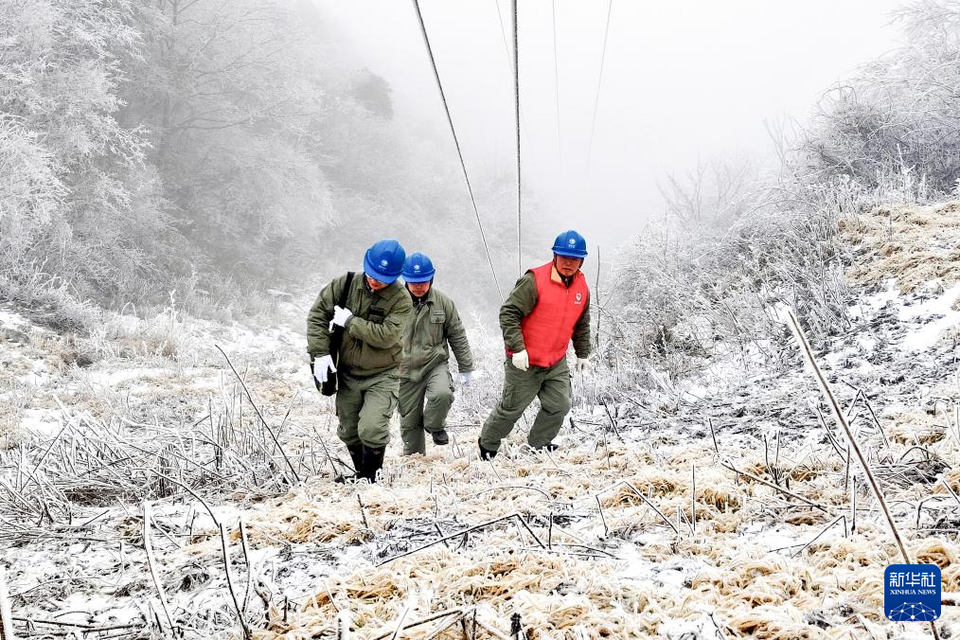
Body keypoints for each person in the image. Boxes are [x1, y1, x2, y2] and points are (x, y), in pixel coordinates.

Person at [306, 239, 413, 482]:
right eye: (373, 275)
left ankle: (370, 480)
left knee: (372, 427)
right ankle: (361, 474)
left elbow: (387, 336)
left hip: (383, 373)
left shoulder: (401, 300)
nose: (376, 281)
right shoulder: (344, 285)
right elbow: (317, 315)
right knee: (349, 430)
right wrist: (320, 353)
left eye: (383, 279)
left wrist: (350, 322)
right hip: (347, 372)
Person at [478, 230, 591, 459]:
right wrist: (517, 349)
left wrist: (582, 353)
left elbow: (582, 323)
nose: (569, 263)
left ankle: (537, 445)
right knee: (511, 409)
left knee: (560, 404)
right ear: (554, 256)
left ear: (581, 260)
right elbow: (509, 313)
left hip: (556, 361)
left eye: (575, 259)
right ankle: (487, 446)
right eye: (564, 257)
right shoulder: (534, 280)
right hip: (525, 361)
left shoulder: (582, 288)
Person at [397, 253, 474, 455]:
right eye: (413, 282)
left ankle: (434, 425)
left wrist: (466, 368)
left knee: (443, 394)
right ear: (405, 280)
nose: (418, 287)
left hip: (434, 364)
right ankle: (414, 461)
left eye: (423, 282)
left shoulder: (443, 303)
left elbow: (457, 334)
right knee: (409, 420)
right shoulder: (394, 302)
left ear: (431, 279)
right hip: (403, 369)